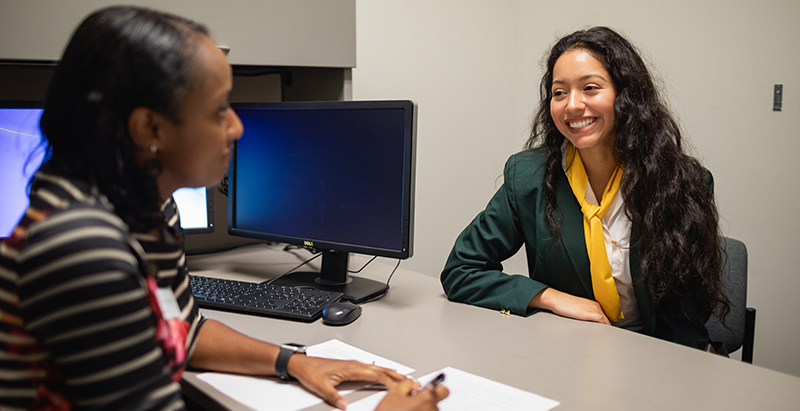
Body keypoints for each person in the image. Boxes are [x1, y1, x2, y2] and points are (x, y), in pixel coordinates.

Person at [0, 6, 447, 411]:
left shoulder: (147, 210)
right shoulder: (82, 249)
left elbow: (183, 330)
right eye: (218, 111)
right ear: (149, 127)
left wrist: (294, 362)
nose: (237, 127)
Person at [441, 26, 730, 352]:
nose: (572, 105)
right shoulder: (529, 176)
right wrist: (550, 297)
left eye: (590, 88)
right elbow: (462, 270)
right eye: (559, 92)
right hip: (567, 353)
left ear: (627, 95)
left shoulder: (681, 182)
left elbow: (685, 322)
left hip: (653, 358)